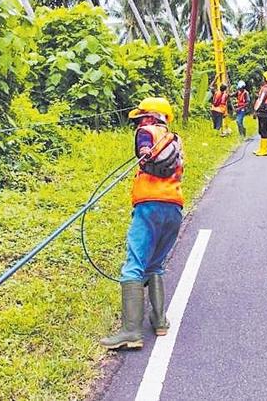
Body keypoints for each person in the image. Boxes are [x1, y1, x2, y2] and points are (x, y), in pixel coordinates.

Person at [100, 97, 184, 350]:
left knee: (133, 266)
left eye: (142, 117)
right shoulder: (176, 142)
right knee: (155, 265)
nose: (138, 121)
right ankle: (159, 321)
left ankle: (131, 332)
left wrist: (144, 150)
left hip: (148, 206)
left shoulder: (146, 131)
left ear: (151, 116)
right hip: (174, 209)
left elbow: (143, 144)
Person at [253, 70, 267, 156]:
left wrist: (255, 110)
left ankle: (264, 150)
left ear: (266, 78)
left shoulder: (266, 88)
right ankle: (262, 148)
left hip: (263, 112)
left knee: (263, 130)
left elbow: (260, 100)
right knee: (262, 130)